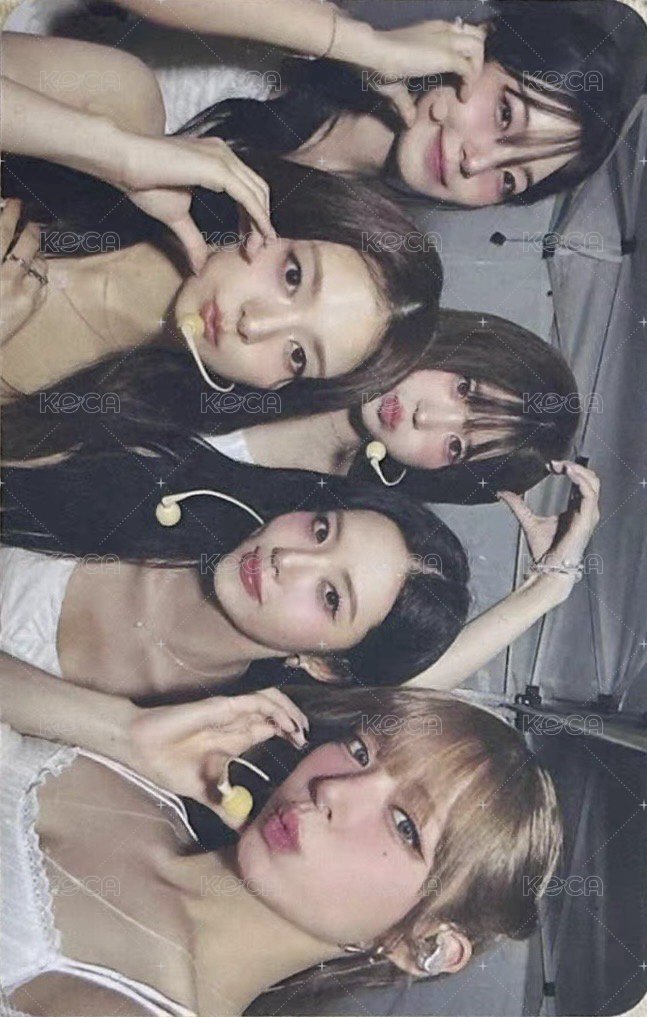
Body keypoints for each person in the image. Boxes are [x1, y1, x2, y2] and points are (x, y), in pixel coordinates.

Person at [0, 663, 562, 1017]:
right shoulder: (137, 783)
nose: (334, 788)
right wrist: (125, 731)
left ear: (422, 944)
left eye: (405, 826)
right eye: (361, 751)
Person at [1, 441, 600, 693]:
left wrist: (547, 589)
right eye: (321, 531)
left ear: (324, 664)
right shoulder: (150, 481)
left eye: (331, 597)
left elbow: (408, 684)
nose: (289, 560)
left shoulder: (199, 731)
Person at [4, 310, 580, 502]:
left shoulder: (315, 519)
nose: (428, 418)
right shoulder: (286, 329)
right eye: (465, 390)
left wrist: (545, 588)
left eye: (457, 446)